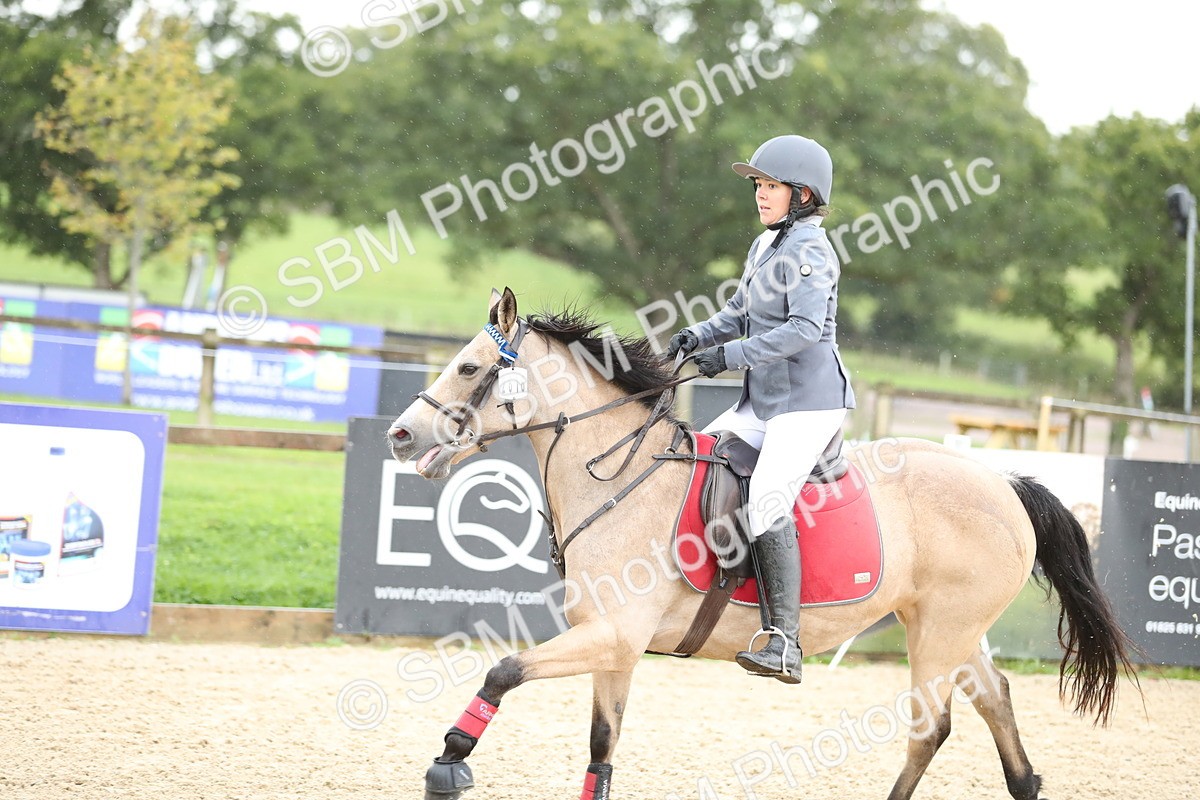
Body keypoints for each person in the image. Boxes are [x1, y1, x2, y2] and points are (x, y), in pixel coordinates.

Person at [666, 134, 855, 684]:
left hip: (807, 405)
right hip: (765, 399)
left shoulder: (811, 252)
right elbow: (737, 311)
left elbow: (802, 331)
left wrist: (724, 357)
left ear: (802, 195)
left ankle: (784, 642)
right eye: (758, 185)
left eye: (770, 186)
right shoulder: (765, 245)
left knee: (769, 502)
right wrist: (695, 336)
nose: (760, 194)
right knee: (698, 458)